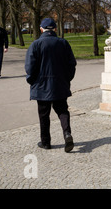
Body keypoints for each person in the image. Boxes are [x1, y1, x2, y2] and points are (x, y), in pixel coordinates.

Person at [25, 18, 77, 152]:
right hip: (60, 83)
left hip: (41, 86)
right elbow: (72, 64)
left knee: (44, 114)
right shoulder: (63, 43)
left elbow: (30, 67)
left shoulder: (35, 44)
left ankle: (46, 142)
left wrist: (31, 81)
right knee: (62, 110)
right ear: (54, 29)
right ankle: (67, 133)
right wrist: (67, 79)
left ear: (41, 29)